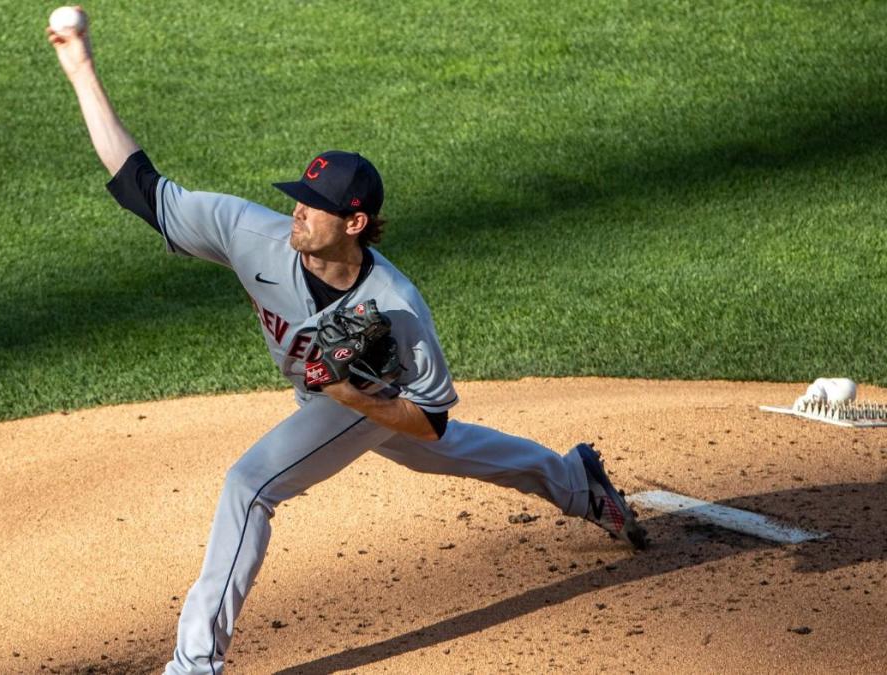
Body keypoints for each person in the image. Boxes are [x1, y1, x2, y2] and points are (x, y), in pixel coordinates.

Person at [47, 10, 646, 674]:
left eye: (314, 203)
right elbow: (143, 187)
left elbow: (431, 416)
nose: (297, 209)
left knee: (250, 485)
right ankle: (573, 480)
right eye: (299, 196)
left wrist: (351, 393)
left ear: (355, 221)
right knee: (441, 458)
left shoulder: (396, 308)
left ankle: (195, 663)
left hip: (361, 397)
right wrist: (81, 67)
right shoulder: (250, 232)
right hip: (333, 392)